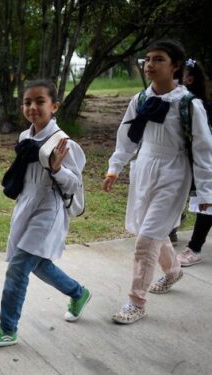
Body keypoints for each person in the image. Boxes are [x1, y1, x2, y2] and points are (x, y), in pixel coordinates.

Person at [103, 40, 212, 324]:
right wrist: (115, 168)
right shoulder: (140, 100)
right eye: (147, 59)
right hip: (144, 169)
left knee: (146, 238)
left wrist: (206, 190)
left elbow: (203, 150)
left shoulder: (189, 104)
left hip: (174, 174)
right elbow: (127, 138)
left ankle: (136, 302)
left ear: (175, 66)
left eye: (158, 59)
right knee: (150, 229)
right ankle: (173, 271)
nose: (149, 64)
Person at [0, 80, 90, 348]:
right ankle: (78, 292)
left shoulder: (64, 143)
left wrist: (57, 169)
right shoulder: (25, 137)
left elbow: (74, 183)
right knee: (38, 264)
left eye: (40, 101)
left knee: (18, 268)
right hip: (26, 206)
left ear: (54, 106)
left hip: (48, 211)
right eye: (27, 102)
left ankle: (7, 328)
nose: (32, 107)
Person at [177, 59, 212, 267]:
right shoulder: (175, 102)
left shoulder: (198, 106)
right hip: (185, 160)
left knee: (206, 201)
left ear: (188, 79)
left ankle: (195, 247)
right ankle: (170, 228)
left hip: (204, 160)